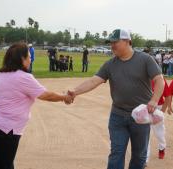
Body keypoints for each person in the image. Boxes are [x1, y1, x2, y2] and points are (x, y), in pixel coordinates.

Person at [67, 29, 164, 169]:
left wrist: (154, 100)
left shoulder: (145, 59)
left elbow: (159, 80)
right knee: (116, 153)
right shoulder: (110, 64)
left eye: (115, 42)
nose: (112, 45)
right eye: (110, 43)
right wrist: (75, 92)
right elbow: (94, 81)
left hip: (140, 116)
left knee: (139, 155)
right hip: (118, 116)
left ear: (127, 41)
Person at [0, 43, 73, 169]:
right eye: (29, 57)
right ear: (21, 59)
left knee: (4, 163)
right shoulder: (24, 77)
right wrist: (64, 97)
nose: (31, 60)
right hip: (7, 130)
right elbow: (46, 95)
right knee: (5, 165)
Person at [146, 78, 170, 164]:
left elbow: (167, 96)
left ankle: (162, 147)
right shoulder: (141, 76)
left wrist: (162, 112)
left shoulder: (160, 79)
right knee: (145, 133)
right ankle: (145, 158)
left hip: (158, 108)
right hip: (145, 108)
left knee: (159, 132)